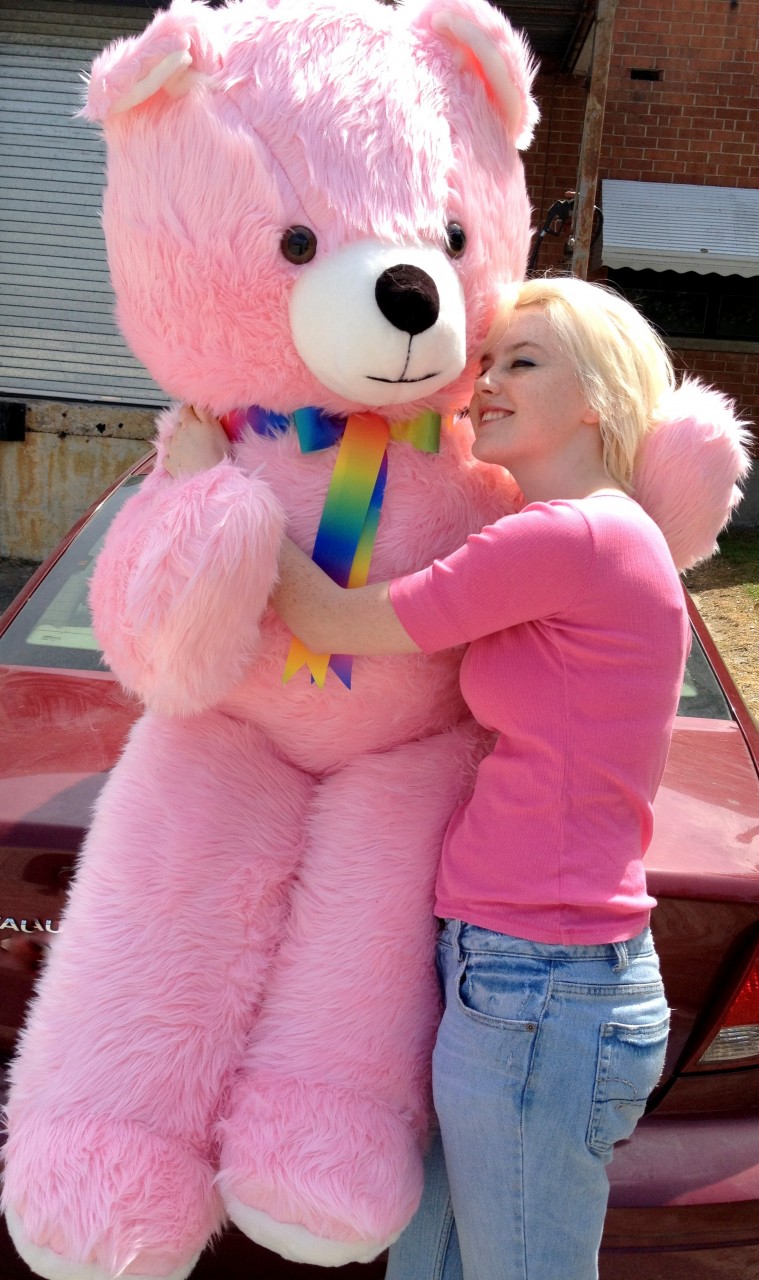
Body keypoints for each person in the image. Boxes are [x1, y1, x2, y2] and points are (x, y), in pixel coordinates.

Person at [165, 276, 690, 1280]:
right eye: (487, 361)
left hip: (540, 982)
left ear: (597, 397)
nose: (485, 381)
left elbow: (331, 619)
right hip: (517, 973)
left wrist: (218, 485)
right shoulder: (593, 536)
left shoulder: (570, 534)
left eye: (522, 361)